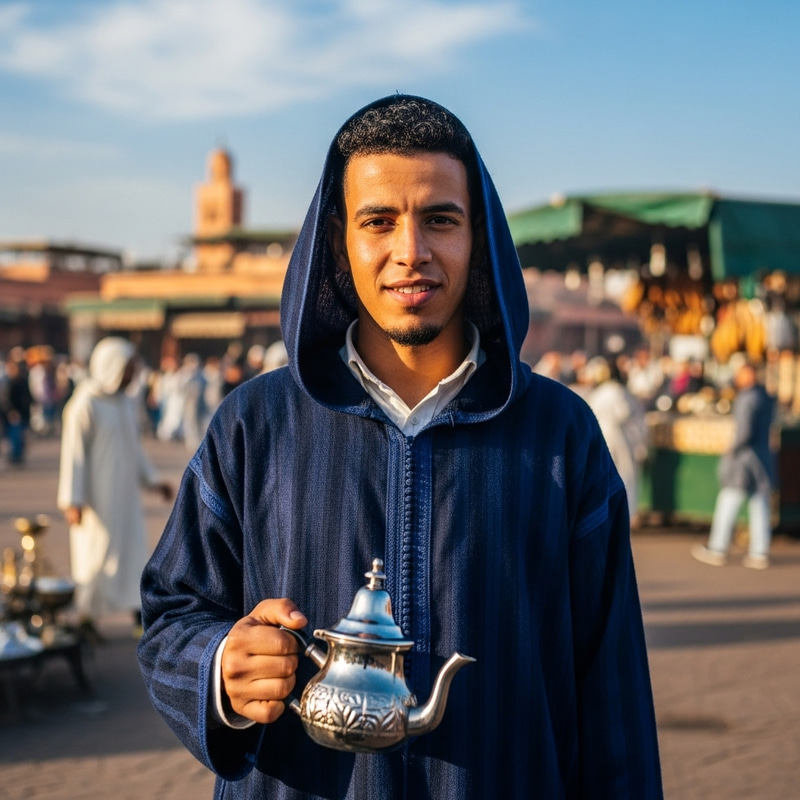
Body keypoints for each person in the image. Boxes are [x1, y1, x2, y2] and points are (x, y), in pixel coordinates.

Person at [138, 95, 662, 799]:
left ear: (478, 237)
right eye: (377, 221)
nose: (409, 252)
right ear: (336, 242)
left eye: (440, 219)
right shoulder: (254, 424)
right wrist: (220, 664)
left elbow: (613, 694)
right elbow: (173, 610)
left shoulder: (559, 435)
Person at [57, 337, 173, 637]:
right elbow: (74, 456)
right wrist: (72, 499)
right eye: (128, 367)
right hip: (96, 501)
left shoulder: (124, 403)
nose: (133, 374)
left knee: (134, 555)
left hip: (125, 499)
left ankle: (139, 617)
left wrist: (154, 481)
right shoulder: (84, 404)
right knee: (96, 557)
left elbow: (134, 451)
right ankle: (87, 620)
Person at [692, 361, 776, 569]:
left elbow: (744, 432)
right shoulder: (765, 397)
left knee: (729, 501)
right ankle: (759, 551)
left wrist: (731, 450)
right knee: (759, 504)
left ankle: (718, 547)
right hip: (762, 456)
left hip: (745, 459)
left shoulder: (747, 399)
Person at [586, 356, 649, 526]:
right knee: (624, 474)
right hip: (618, 437)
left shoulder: (598, 393)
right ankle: (623, 514)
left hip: (601, 436)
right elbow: (624, 414)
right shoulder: (619, 392)